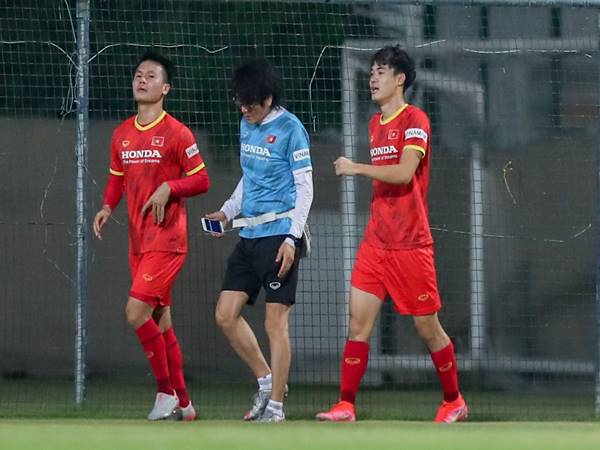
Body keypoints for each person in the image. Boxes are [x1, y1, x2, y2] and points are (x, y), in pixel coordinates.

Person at [316, 45, 468, 423]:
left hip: (411, 244)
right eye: (371, 71)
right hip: (376, 243)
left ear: (400, 79)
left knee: (427, 327)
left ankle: (454, 401)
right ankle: (346, 405)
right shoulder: (374, 124)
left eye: (381, 71)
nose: (373, 78)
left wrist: (356, 168)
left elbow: (402, 173)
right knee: (357, 325)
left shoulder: (416, 119)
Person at [93, 50, 210, 421]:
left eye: (151, 76)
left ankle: (165, 393)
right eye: (138, 75)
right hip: (138, 242)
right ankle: (186, 405)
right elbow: (117, 178)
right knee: (161, 322)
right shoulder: (121, 134)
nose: (142, 80)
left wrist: (169, 188)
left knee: (135, 312)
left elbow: (202, 179)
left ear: (166, 88)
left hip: (168, 240)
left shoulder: (177, 133)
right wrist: (107, 206)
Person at [207, 58, 313, 423]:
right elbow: (248, 178)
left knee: (274, 324)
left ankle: (277, 409)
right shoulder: (246, 124)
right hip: (249, 235)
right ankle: (267, 382)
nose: (244, 108)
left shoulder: (291, 129)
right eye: (240, 102)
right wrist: (226, 212)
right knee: (225, 314)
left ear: (268, 98)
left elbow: (305, 188)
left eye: (250, 102)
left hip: (279, 236)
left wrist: (292, 238)